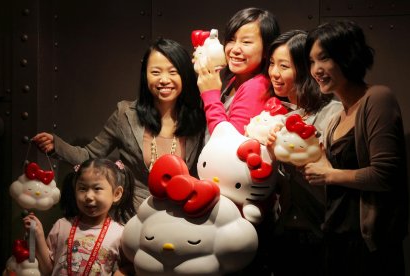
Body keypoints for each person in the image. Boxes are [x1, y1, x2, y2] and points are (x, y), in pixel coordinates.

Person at [32, 38, 207, 211]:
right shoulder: (125, 114)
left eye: (173, 71)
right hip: (132, 218)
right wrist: (57, 146)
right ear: (145, 75)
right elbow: (89, 155)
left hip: (181, 218)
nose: (164, 79)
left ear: (184, 75)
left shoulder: (200, 117)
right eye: (155, 72)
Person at [303, 20, 408, 275]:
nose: (316, 70)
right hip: (335, 237)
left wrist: (329, 174)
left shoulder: (377, 98)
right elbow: (331, 177)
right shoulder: (337, 117)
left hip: (368, 246)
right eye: (312, 62)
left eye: (324, 58)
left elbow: (385, 175)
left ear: (347, 56)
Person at [265, 30, 342, 276]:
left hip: (324, 233)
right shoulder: (284, 118)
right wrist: (271, 156)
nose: (274, 73)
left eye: (284, 66)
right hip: (286, 230)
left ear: (304, 68)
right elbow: (280, 184)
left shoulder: (334, 113)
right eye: (271, 64)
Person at [22, 158, 136, 275]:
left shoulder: (120, 234)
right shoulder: (62, 226)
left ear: (116, 194)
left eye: (97, 188)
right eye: (82, 188)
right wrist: (38, 235)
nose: (89, 196)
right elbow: (48, 270)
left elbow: (131, 266)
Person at [196, 7, 281, 136]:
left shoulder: (257, 87)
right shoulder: (236, 80)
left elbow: (229, 142)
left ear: (266, 50)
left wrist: (210, 94)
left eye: (246, 42)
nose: (235, 49)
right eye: (231, 40)